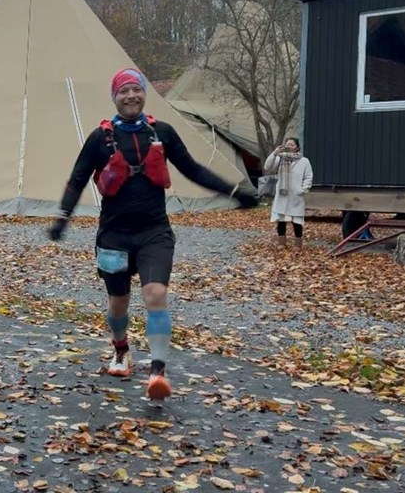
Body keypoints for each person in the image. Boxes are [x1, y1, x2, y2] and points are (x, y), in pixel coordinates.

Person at [48, 67, 257, 401]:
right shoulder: (99, 139)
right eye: (123, 92)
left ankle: (158, 371)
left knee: (155, 293)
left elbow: (193, 169)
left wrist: (234, 191)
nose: (130, 96)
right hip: (114, 236)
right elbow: (76, 179)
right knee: (118, 303)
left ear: (144, 93)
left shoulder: (163, 133)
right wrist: (62, 219)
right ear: (114, 98)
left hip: (154, 233)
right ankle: (121, 351)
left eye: (136, 90)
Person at [264, 137, 313, 250]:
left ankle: (298, 244)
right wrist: (275, 153)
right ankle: (281, 243)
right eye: (287, 144)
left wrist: (303, 189)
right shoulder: (280, 159)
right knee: (281, 220)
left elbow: (308, 176)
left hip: (296, 195)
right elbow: (267, 167)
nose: (289, 146)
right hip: (282, 194)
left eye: (292, 144)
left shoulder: (304, 161)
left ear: (297, 147)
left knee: (297, 221)